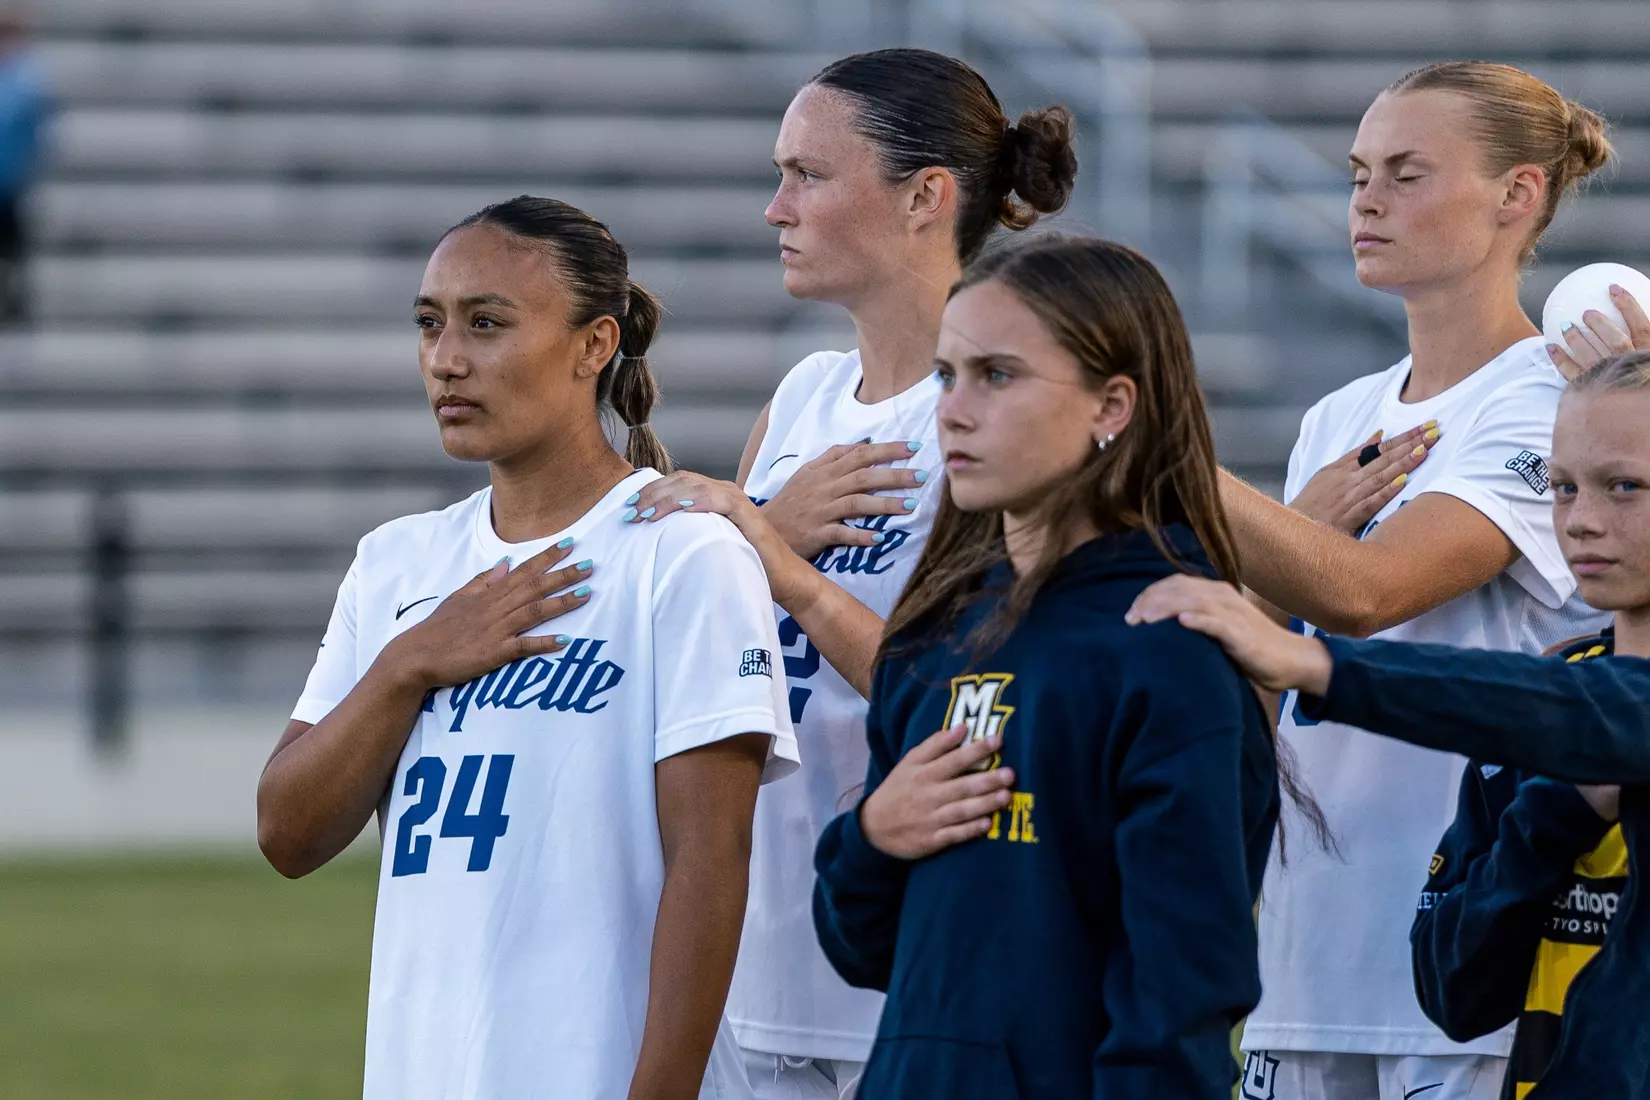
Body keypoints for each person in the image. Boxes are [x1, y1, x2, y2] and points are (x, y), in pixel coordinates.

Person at [255, 196, 798, 1100]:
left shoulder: (681, 552)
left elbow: (713, 861)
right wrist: (408, 665)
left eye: (487, 324)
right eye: (429, 324)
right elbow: (287, 832)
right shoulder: (396, 563)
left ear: (594, 345)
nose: (447, 359)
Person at [619, 49, 1077, 1098]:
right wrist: (763, 531)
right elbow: (706, 660)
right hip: (759, 955)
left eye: (809, 175)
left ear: (926, 197)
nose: (776, 208)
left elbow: (995, 704)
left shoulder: (1006, 412)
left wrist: (775, 557)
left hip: (917, 969)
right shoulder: (805, 392)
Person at [1201, 62, 1615, 1100]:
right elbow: (1269, 667)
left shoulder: (1549, 400)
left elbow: (1366, 592)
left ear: (1518, 195)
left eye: (1407, 173)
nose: (1367, 201)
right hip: (1306, 951)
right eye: (1356, 175)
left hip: (1463, 963)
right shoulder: (1336, 418)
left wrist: (1150, 446)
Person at [810, 235, 1281, 1100]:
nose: (951, 410)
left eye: (997, 375)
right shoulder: (934, 636)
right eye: (947, 375)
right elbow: (862, 948)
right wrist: (873, 836)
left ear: (1113, 405)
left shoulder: (1171, 650)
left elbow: (1179, 1006)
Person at [1126, 349, 1650, 1100]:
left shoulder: (1547, 706)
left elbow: (1580, 707)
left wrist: (1319, 667)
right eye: (1563, 488)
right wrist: (1556, 811)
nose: (1583, 520)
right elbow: (1456, 990)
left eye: (1624, 487)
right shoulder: (1548, 703)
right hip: (1332, 989)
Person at [0, 4, 49, 323]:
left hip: (9, 183)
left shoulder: (27, 80)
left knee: (13, 248)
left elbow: (33, 134)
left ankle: (16, 305)